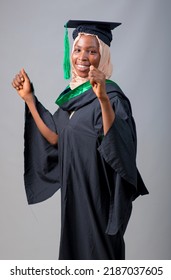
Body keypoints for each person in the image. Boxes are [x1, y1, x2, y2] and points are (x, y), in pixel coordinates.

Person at [12, 20, 148, 260]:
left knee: (100, 257)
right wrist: (30, 100)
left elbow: (117, 142)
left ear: (102, 55)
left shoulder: (112, 97)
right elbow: (56, 138)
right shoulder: (70, 99)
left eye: (92, 51)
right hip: (74, 193)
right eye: (78, 49)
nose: (82, 56)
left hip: (99, 194)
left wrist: (103, 98)